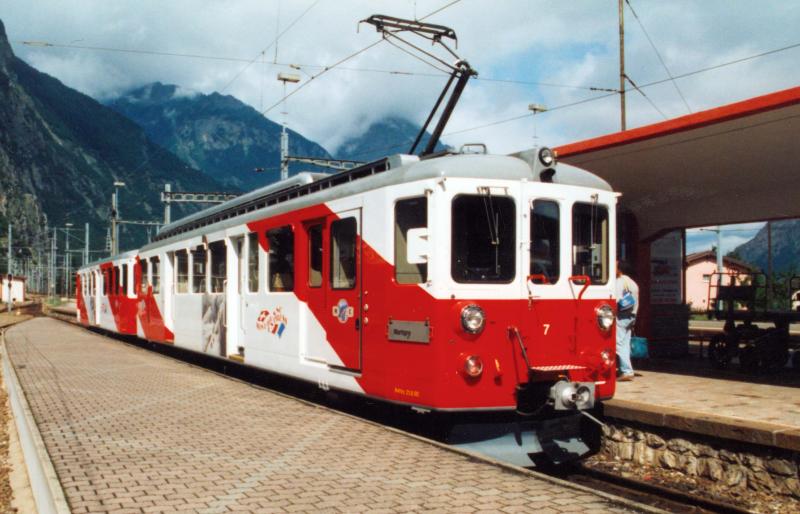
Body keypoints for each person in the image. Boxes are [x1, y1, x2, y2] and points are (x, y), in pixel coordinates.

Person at [616, 261, 639, 382]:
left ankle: (626, 371)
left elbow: (616, 300)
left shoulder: (619, 282)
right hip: (632, 316)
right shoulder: (633, 283)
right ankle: (625, 369)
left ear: (619, 270)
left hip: (621, 316)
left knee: (616, 343)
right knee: (625, 343)